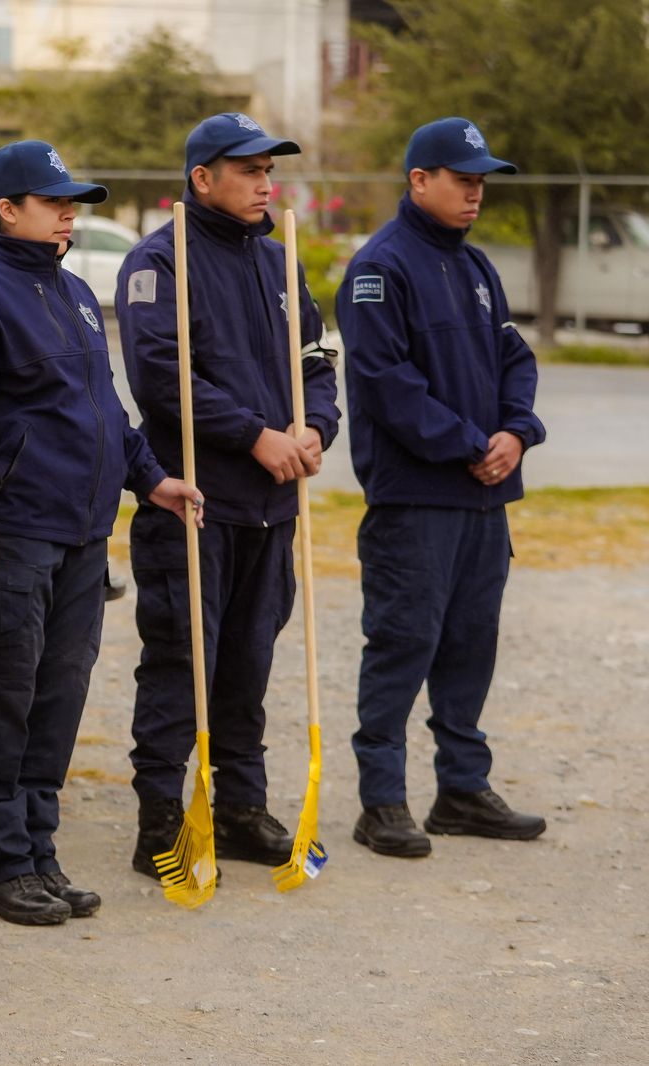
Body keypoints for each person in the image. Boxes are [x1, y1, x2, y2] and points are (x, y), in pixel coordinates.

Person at [0, 142, 201, 925]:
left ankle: (39, 854)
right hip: (11, 535)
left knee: (59, 699)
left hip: (81, 534)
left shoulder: (74, 291)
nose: (71, 210)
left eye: (74, 199)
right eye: (55, 200)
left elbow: (104, 408)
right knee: (7, 699)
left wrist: (152, 477)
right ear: (6, 209)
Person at [114, 113, 340, 880]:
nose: (265, 183)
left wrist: (316, 428)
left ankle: (241, 807)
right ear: (202, 178)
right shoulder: (159, 261)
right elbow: (159, 375)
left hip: (275, 505)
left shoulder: (281, 259)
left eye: (270, 170)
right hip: (197, 502)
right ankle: (160, 819)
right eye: (248, 170)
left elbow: (315, 358)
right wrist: (253, 434)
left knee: (248, 662)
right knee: (183, 660)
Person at [337, 117, 547, 858]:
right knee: (403, 644)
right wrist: (470, 445)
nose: (475, 193)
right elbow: (390, 387)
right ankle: (382, 802)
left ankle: (461, 789)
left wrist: (517, 432)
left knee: (469, 647)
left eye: (482, 181)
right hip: (416, 501)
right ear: (418, 179)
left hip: (483, 500)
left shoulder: (476, 268)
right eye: (463, 180)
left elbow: (514, 358)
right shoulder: (379, 270)